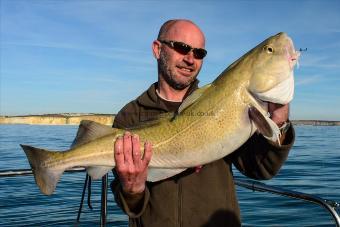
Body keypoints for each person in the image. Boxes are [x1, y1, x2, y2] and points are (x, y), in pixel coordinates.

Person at [111, 19, 294, 227]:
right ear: (157, 49)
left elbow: (261, 170)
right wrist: (132, 190)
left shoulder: (225, 104)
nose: (190, 58)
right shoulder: (130, 116)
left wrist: (279, 122)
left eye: (199, 53)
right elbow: (127, 204)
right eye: (181, 48)